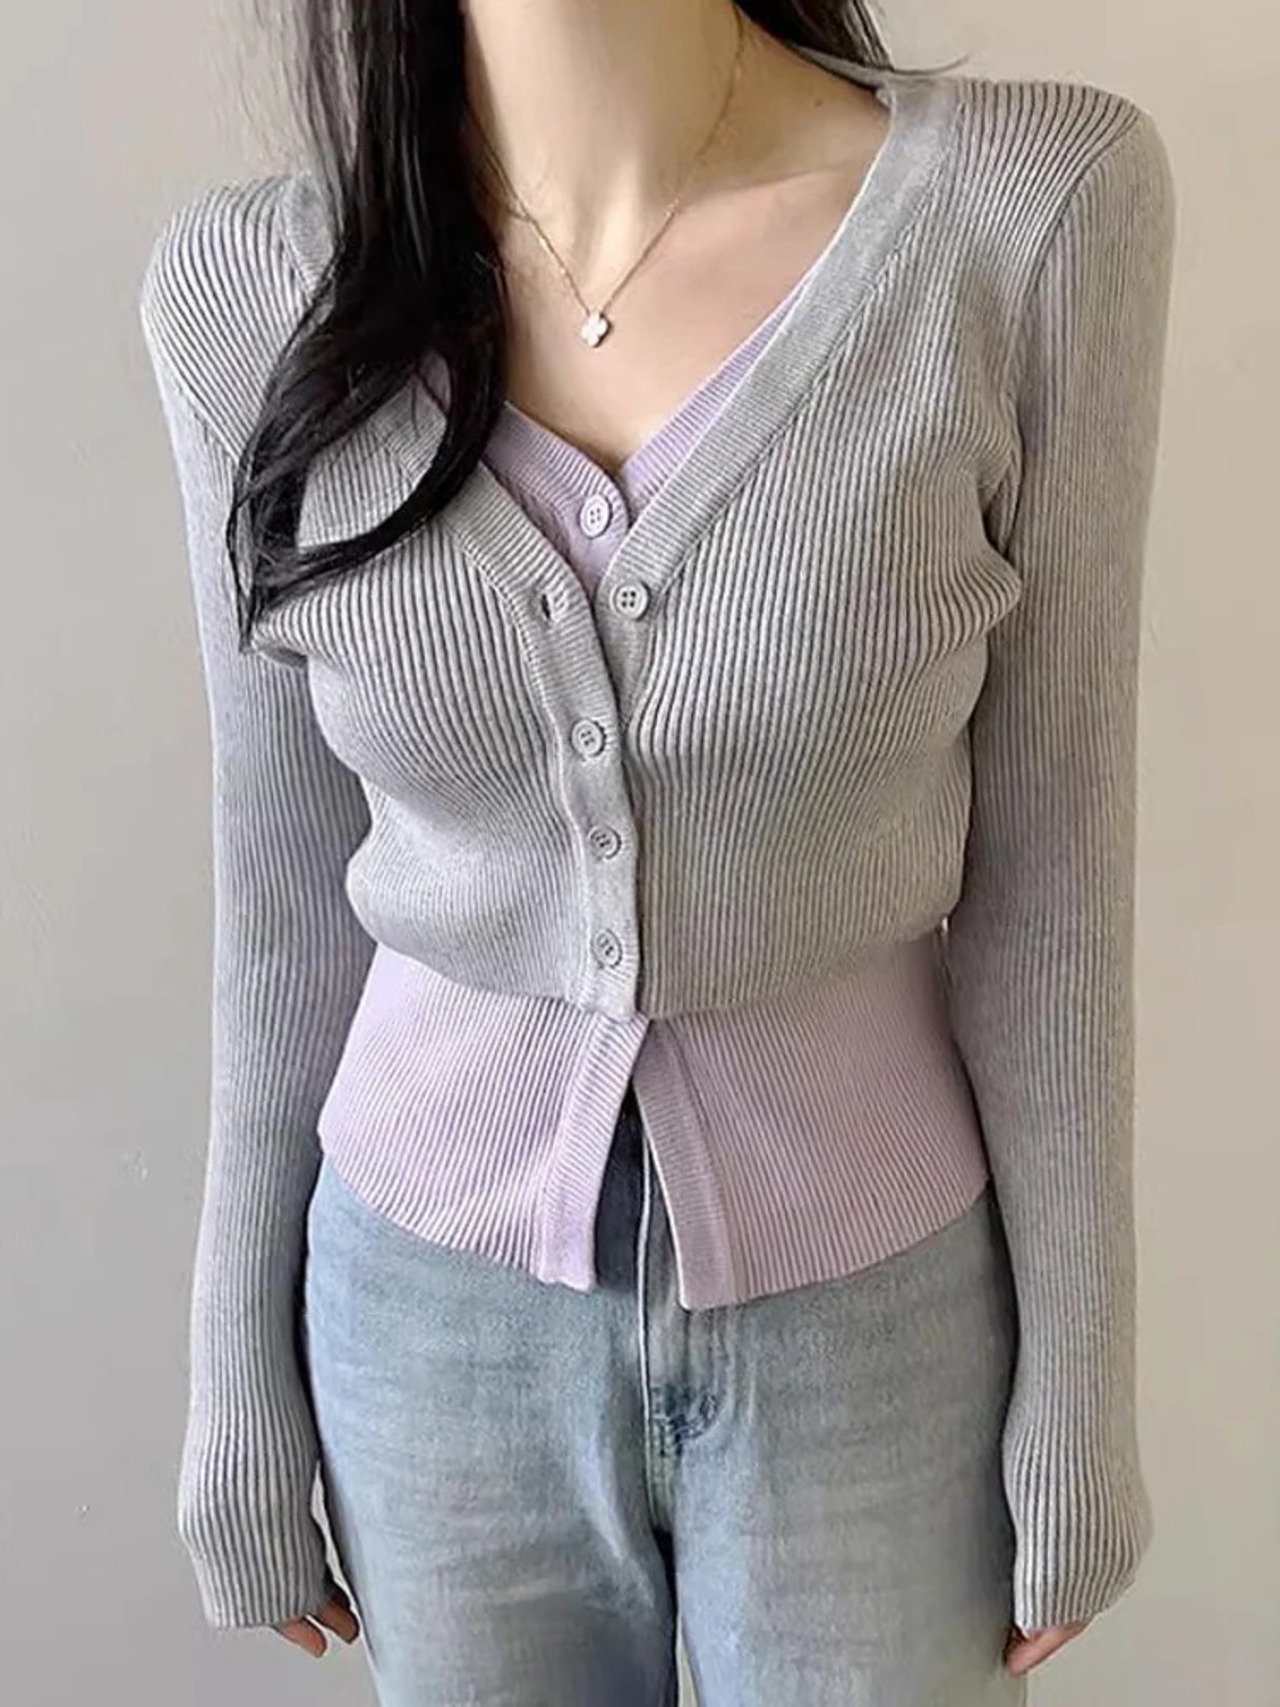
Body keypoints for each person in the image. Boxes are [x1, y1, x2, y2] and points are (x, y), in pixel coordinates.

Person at [137, 0, 1177, 1701]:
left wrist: (1080, 1380)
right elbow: (280, 896)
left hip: (878, 1321)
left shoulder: (1029, 214)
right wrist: (233, 1375)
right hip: (422, 1320)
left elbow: (1053, 870)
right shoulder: (247, 292)